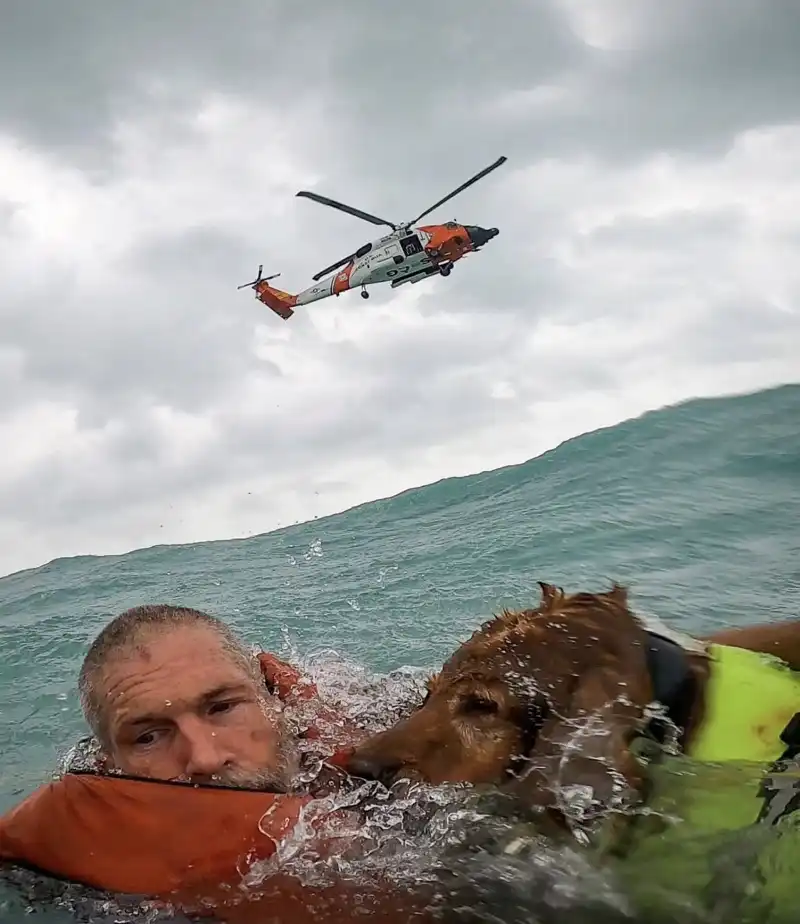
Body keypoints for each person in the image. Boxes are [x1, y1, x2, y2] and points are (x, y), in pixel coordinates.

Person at [0, 604, 435, 923]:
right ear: (109, 766)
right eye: (149, 736)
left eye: (222, 707)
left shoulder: (397, 757)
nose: (204, 758)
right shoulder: (79, 881)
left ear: (275, 700)